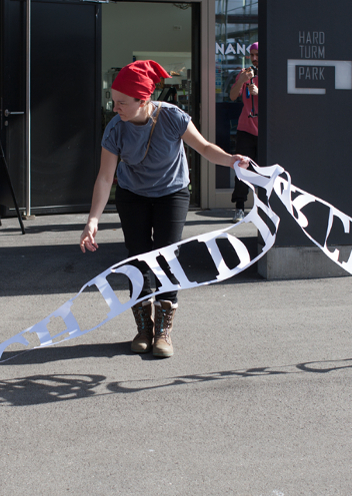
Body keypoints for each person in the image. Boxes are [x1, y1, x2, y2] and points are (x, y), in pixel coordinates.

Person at [80, 60, 251, 358]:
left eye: (122, 102)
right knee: (138, 260)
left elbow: (205, 148)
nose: (115, 107)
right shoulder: (115, 129)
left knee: (166, 258)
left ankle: (164, 331)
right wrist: (93, 220)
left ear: (143, 100)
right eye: (113, 100)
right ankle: (143, 327)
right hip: (132, 194)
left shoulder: (172, 117)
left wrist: (231, 159)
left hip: (172, 193)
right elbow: (106, 176)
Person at [228, 42, 259, 222]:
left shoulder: (271, 71)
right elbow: (233, 96)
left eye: (257, 55)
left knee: (263, 171)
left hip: (264, 130)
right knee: (242, 168)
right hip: (245, 129)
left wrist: (258, 92)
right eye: (252, 55)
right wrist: (241, 80)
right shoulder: (245, 73)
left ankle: (263, 208)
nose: (254, 58)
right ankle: (239, 206)